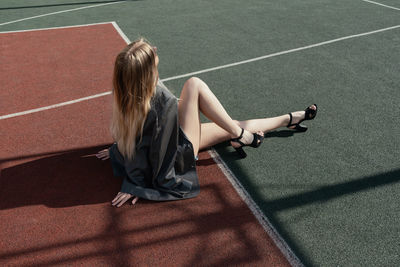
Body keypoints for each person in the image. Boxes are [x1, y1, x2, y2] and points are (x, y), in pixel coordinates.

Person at [96, 38, 317, 207]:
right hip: (179, 155)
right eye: (152, 52)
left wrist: (118, 150)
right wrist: (136, 185)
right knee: (195, 84)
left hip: (172, 140)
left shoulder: (125, 94)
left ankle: (288, 119)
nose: (155, 50)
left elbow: (137, 140)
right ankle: (240, 135)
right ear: (147, 71)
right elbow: (158, 154)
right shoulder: (163, 102)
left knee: (230, 125)